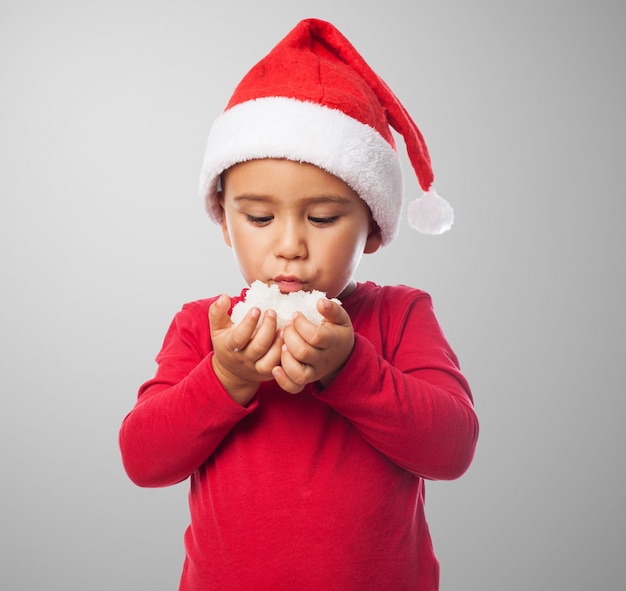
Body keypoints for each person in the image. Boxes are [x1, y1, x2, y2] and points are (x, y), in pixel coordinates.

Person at [119, 18, 478, 591]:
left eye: (323, 218)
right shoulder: (201, 328)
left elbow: (452, 449)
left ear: (374, 230)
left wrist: (350, 368)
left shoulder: (402, 316)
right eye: (259, 218)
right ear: (225, 223)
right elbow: (143, 459)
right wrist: (224, 377)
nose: (289, 244)